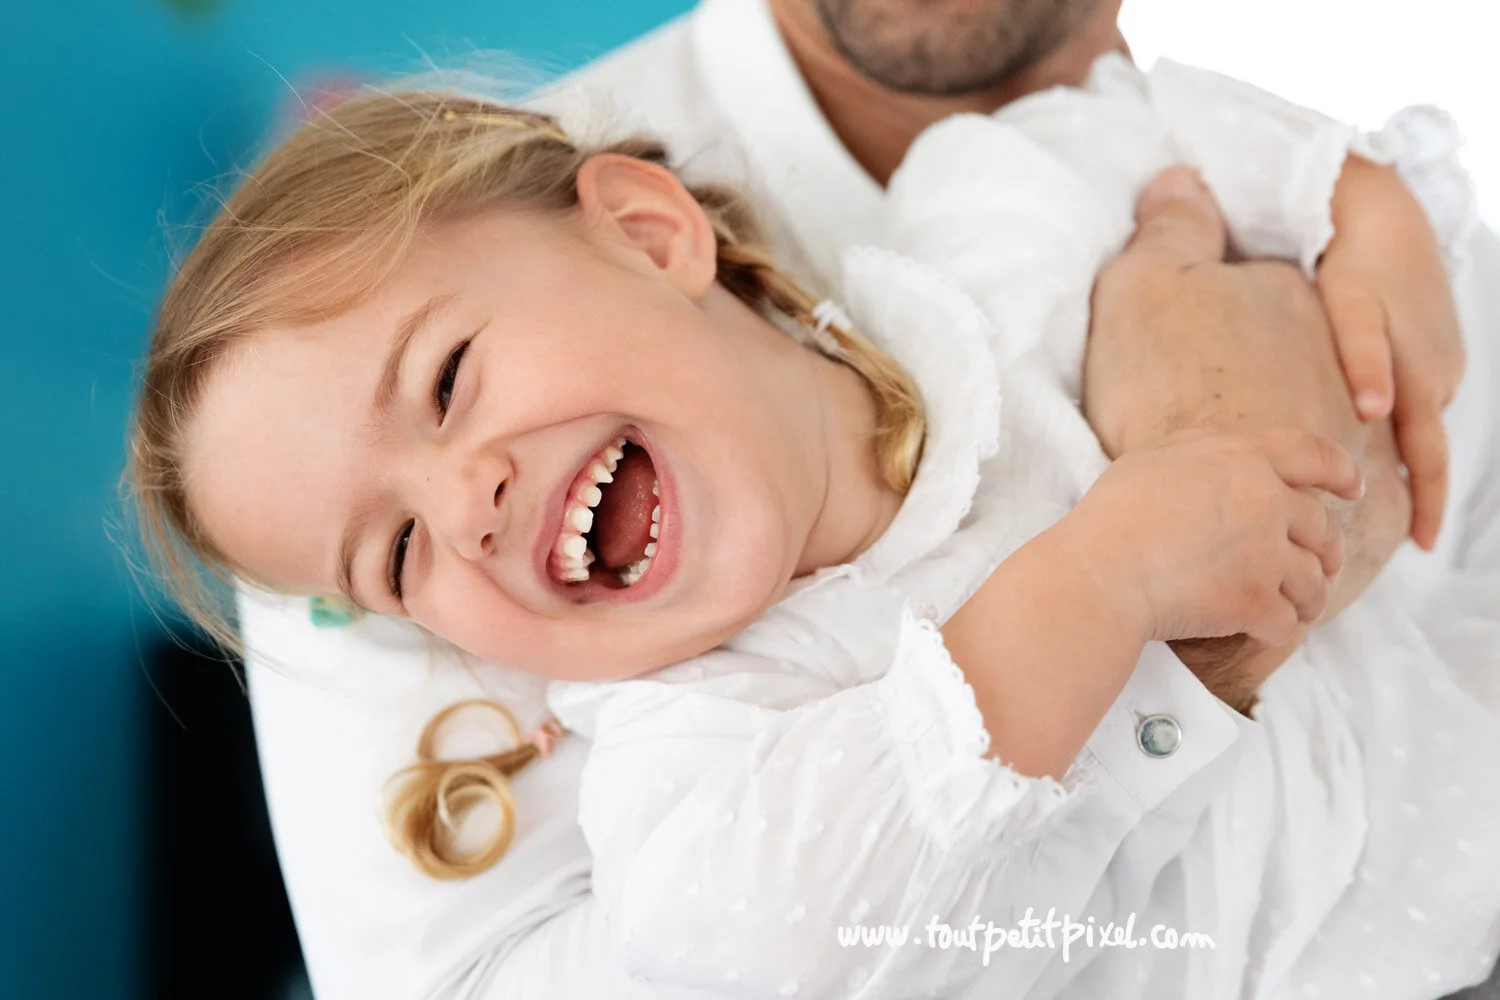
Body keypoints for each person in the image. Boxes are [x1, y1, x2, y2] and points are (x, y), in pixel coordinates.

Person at [170, 0, 1498, 996]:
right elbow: (755, 946)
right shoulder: (703, 746)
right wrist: (1108, 584)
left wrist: (1364, 209)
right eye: (398, 556)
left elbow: (1164, 141)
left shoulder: (978, 219)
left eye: (452, 382)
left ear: (651, 232)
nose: (462, 511)